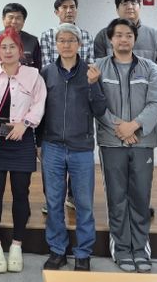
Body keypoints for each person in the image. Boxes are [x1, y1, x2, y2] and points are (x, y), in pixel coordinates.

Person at [93, 18, 157, 273]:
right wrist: (120, 128)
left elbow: (156, 102)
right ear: (110, 39)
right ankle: (122, 248)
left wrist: (134, 126)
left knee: (140, 196)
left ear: (135, 39)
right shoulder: (98, 68)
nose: (124, 39)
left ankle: (140, 248)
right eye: (119, 35)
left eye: (128, 35)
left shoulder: (150, 68)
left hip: (142, 142)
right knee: (116, 197)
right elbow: (96, 103)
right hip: (111, 142)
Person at [40, 24, 107, 271]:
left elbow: (100, 110)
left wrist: (94, 84)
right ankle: (57, 250)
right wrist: (39, 143)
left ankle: (83, 253)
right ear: (56, 44)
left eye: (71, 40)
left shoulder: (91, 72)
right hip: (52, 147)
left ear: (79, 44)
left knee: (84, 204)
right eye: (62, 40)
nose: (66, 45)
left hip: (81, 148)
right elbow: (39, 110)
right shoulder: (46, 72)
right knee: (54, 201)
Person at [0, 27, 46, 274]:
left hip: (22, 138)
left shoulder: (33, 75)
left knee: (21, 193)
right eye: (3, 47)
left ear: (20, 50)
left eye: (12, 46)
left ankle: (17, 245)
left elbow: (39, 103)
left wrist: (25, 123)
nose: (8, 51)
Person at [93, 0, 157, 75]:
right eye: (125, 4)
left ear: (140, 8)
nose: (129, 7)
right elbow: (99, 64)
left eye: (133, 3)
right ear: (117, 9)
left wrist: (151, 80)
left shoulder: (155, 36)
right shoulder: (104, 35)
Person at [0, 3, 42, 70]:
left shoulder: (32, 41)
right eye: (10, 17)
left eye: (18, 18)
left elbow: (38, 67)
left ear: (23, 21)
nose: (14, 21)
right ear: (3, 19)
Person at [40, 0, 93, 67]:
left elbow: (90, 65)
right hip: (54, 74)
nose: (69, 11)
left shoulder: (86, 36)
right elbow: (46, 66)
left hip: (81, 74)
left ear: (76, 10)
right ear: (56, 12)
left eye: (72, 7)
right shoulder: (47, 35)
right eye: (64, 7)